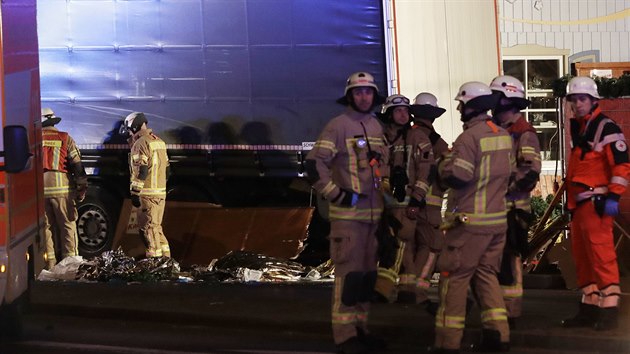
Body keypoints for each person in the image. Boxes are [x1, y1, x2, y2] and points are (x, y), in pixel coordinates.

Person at [305, 72, 388, 354]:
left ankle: (361, 329)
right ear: (350, 96)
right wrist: (337, 194)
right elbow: (315, 165)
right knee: (348, 277)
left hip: (372, 217)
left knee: (366, 279)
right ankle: (344, 336)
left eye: (368, 92)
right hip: (348, 219)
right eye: (358, 92)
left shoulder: (376, 126)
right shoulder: (338, 126)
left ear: (374, 96)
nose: (363, 96)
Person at [433, 82, 512, 353]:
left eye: (461, 104)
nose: (458, 108)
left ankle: (448, 343)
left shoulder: (469, 139)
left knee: (453, 280)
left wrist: (443, 165)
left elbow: (459, 176)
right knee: (487, 277)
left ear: (472, 106)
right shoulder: (502, 135)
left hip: (469, 225)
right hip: (496, 224)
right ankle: (498, 336)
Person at [562, 76, 630, 331]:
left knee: (601, 255)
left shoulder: (605, 127)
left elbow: (622, 165)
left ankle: (609, 308)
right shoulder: (581, 128)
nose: (578, 104)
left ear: (593, 100)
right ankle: (589, 306)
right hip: (580, 205)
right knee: (583, 257)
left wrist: (613, 196)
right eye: (574, 99)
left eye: (583, 99)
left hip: (597, 201)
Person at [489, 75, 542, 329]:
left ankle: (511, 312)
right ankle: (498, 308)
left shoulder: (523, 132)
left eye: (495, 99)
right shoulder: (498, 129)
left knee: (510, 260)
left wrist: (503, 191)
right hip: (494, 208)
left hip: (512, 208)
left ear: (506, 101)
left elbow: (530, 172)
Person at [372, 94, 434, 305]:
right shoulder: (380, 138)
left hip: (406, 203)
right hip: (383, 203)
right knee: (398, 247)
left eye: (406, 111)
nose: (403, 114)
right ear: (389, 114)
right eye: (398, 111)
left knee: (398, 244)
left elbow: (426, 171)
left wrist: (416, 200)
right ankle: (407, 290)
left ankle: (383, 288)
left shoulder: (417, 138)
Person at [407, 92, 448, 310]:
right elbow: (447, 174)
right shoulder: (437, 143)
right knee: (432, 246)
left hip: (403, 202)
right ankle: (419, 291)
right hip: (428, 203)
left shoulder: (405, 135)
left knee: (408, 247)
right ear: (433, 116)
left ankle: (404, 290)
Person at [119, 112, 171, 259]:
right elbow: (168, 170)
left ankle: (155, 263)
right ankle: (166, 261)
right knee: (157, 229)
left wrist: (135, 192)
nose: (129, 132)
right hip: (160, 193)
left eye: (129, 129)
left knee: (148, 229)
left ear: (134, 125)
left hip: (147, 194)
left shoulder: (140, 143)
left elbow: (141, 170)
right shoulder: (159, 141)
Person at [41, 108, 88, 269]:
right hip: (62, 190)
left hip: (40, 191)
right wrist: (81, 188)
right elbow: (77, 165)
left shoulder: (34, 139)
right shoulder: (65, 138)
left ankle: (50, 264)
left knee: (46, 228)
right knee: (68, 226)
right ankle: (71, 264)